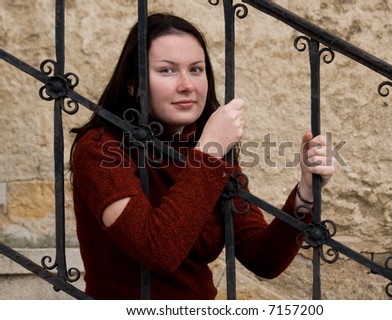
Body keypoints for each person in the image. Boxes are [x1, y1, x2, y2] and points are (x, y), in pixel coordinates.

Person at [70, 13, 335, 300]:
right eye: (167, 71)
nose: (187, 85)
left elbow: (262, 259)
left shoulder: (206, 146)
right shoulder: (100, 149)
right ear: (133, 84)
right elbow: (156, 250)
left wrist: (305, 194)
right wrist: (209, 154)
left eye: (196, 70)